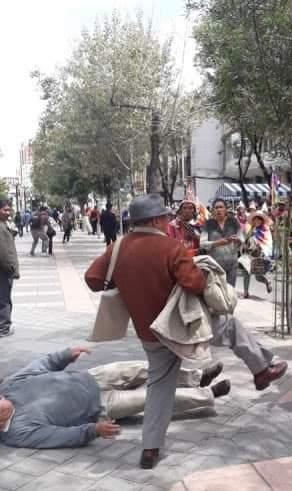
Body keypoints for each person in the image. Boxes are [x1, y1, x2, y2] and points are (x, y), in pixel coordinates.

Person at [86, 194, 208, 469]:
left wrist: (124, 281)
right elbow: (195, 284)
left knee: (159, 385)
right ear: (155, 220)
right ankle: (260, 367)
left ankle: (150, 449)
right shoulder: (171, 247)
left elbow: (92, 279)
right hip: (177, 327)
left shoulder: (118, 247)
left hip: (146, 332)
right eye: (165, 217)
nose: (168, 220)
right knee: (225, 325)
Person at [0, 347, 231, 449]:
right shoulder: (18, 432)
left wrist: (65, 355)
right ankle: (207, 394)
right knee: (151, 399)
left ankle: (197, 377)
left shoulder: (9, 386)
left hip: (92, 377)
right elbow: (58, 436)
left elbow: (40, 366)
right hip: (101, 407)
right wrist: (93, 430)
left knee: (142, 368)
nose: (1, 399)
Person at [200, 198, 242, 287]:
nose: (219, 209)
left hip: (232, 264)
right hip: (215, 266)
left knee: (230, 292)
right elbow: (202, 244)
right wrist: (217, 243)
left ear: (225, 209)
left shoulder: (233, 222)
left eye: (221, 207)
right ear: (213, 210)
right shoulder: (208, 224)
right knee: (218, 295)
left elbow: (242, 239)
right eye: (216, 207)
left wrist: (238, 240)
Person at [240, 211, 273, 298]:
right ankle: (245, 293)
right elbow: (246, 240)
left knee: (258, 277)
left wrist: (259, 247)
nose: (256, 221)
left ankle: (267, 282)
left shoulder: (265, 230)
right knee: (245, 272)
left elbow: (267, 244)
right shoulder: (251, 230)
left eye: (258, 219)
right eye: (255, 220)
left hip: (259, 254)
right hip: (249, 254)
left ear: (262, 220)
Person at [0, 198, 19, 338]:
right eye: (5, 209)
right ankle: (3, 328)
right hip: (4, 271)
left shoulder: (3, 225)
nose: (8, 212)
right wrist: (11, 269)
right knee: (4, 299)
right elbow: (4, 252)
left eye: (9, 209)